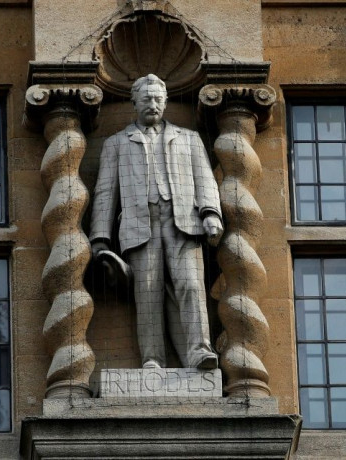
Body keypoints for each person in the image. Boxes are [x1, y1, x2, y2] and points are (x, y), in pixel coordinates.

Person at [90, 74, 223, 370]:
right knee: (147, 291)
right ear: (134, 102)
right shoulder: (116, 143)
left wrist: (211, 213)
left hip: (184, 222)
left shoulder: (188, 138)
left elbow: (205, 178)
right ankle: (152, 358)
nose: (153, 104)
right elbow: (105, 191)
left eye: (158, 99)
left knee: (190, 285)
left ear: (165, 102)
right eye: (147, 98)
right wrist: (100, 238)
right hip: (139, 224)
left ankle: (199, 351)